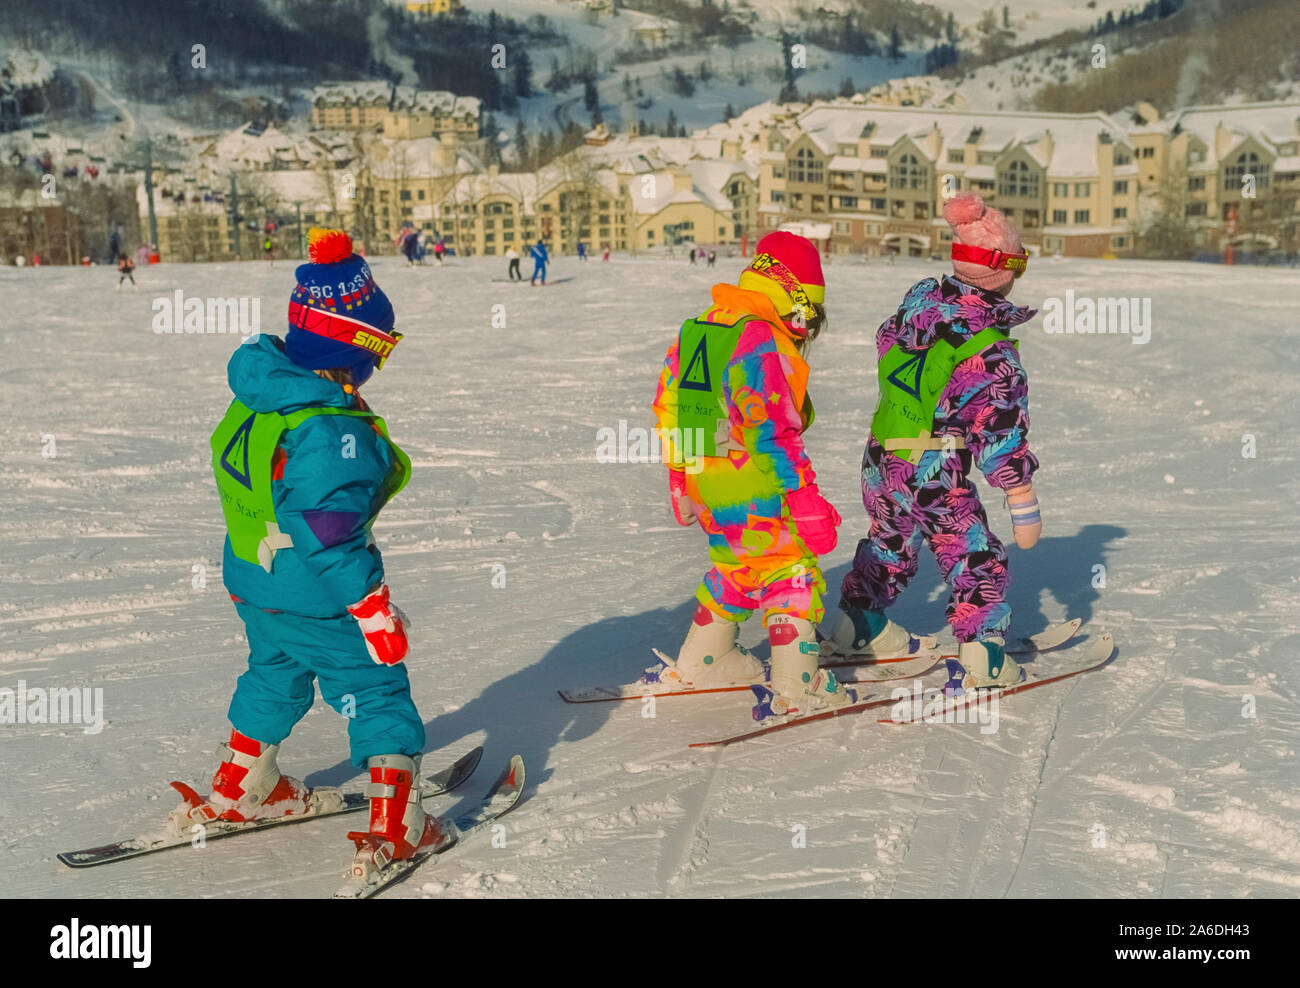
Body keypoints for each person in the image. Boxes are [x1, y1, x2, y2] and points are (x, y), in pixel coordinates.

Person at [168, 227, 449, 884]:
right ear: (357, 350)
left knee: (275, 673)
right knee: (375, 687)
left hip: (255, 580)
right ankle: (397, 826)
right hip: (317, 592)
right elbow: (327, 530)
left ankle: (243, 787)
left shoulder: (262, 395)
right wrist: (372, 607)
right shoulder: (328, 433)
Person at [826, 194, 1041, 691]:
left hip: (881, 457)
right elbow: (999, 429)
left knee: (889, 540)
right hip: (933, 468)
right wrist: (1020, 495)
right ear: (1002, 273)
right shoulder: (989, 351)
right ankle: (983, 651)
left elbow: (889, 345)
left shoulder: (915, 310)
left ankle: (857, 623)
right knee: (972, 552)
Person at [650, 232, 853, 720]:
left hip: (709, 482)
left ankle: (704, 659)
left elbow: (669, 406)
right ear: (794, 299)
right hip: (758, 481)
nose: (805, 332)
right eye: (806, 319)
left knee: (736, 567)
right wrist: (803, 497)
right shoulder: (757, 339)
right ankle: (795, 683)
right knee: (790, 571)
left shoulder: (700, 327)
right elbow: (771, 432)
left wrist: (680, 476)